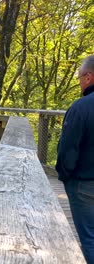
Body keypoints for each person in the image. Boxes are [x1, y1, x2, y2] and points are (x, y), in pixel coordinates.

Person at [56, 55, 94, 263]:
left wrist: (65, 175)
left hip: (85, 185)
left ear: (88, 77)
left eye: (79, 77)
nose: (79, 81)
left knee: (90, 239)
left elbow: (68, 150)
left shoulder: (80, 108)